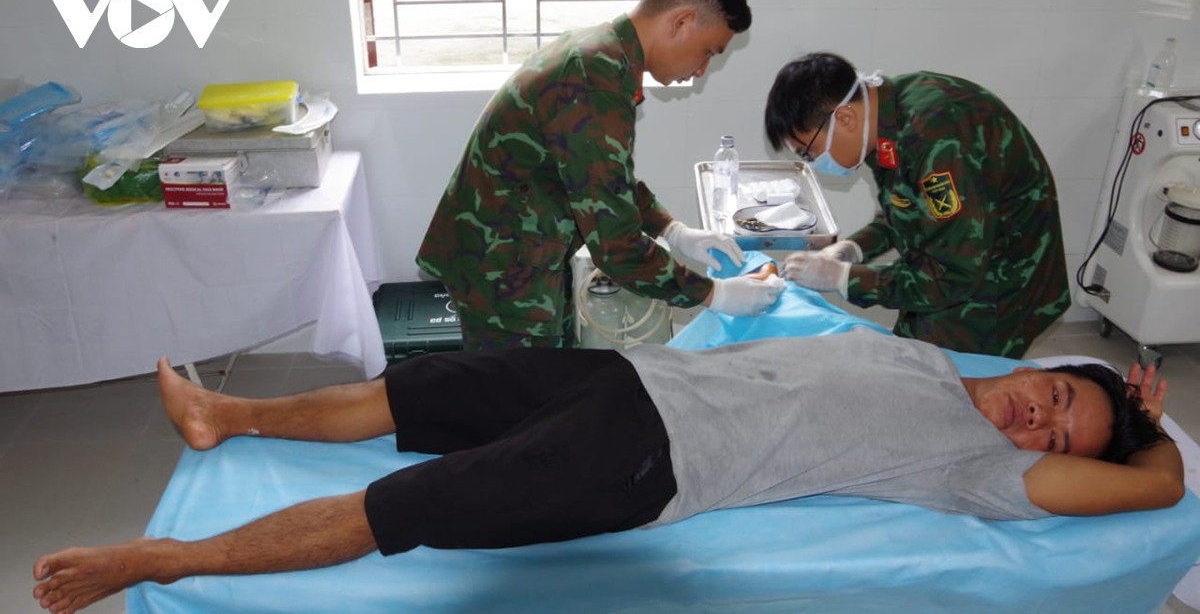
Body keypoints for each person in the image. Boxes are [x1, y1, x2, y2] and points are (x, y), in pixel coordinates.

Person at [34, 331, 1181, 613]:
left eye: (1059, 439)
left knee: (411, 507)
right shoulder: (926, 354)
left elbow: (1160, 488)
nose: (1040, 425)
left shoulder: (976, 468)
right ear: (1052, 368)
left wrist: (1141, 428)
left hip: (645, 458)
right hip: (630, 377)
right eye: (1062, 401)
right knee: (418, 391)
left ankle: (158, 561)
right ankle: (223, 415)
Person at [416, 0, 783, 351]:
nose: (701, 70)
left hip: (521, 253)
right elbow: (616, 245)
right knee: (518, 402)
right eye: (709, 51)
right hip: (502, 271)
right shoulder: (594, 81)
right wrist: (715, 294)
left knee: (551, 383)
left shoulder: (600, 53)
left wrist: (673, 230)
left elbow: (606, 182)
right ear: (681, 22)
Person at [764, 52, 1071, 358]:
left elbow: (954, 274)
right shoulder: (884, 117)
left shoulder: (937, 139)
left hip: (1000, 282)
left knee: (938, 381)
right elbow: (905, 209)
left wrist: (844, 278)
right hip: (959, 262)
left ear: (844, 118)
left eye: (809, 152)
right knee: (911, 359)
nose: (815, 163)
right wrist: (852, 249)